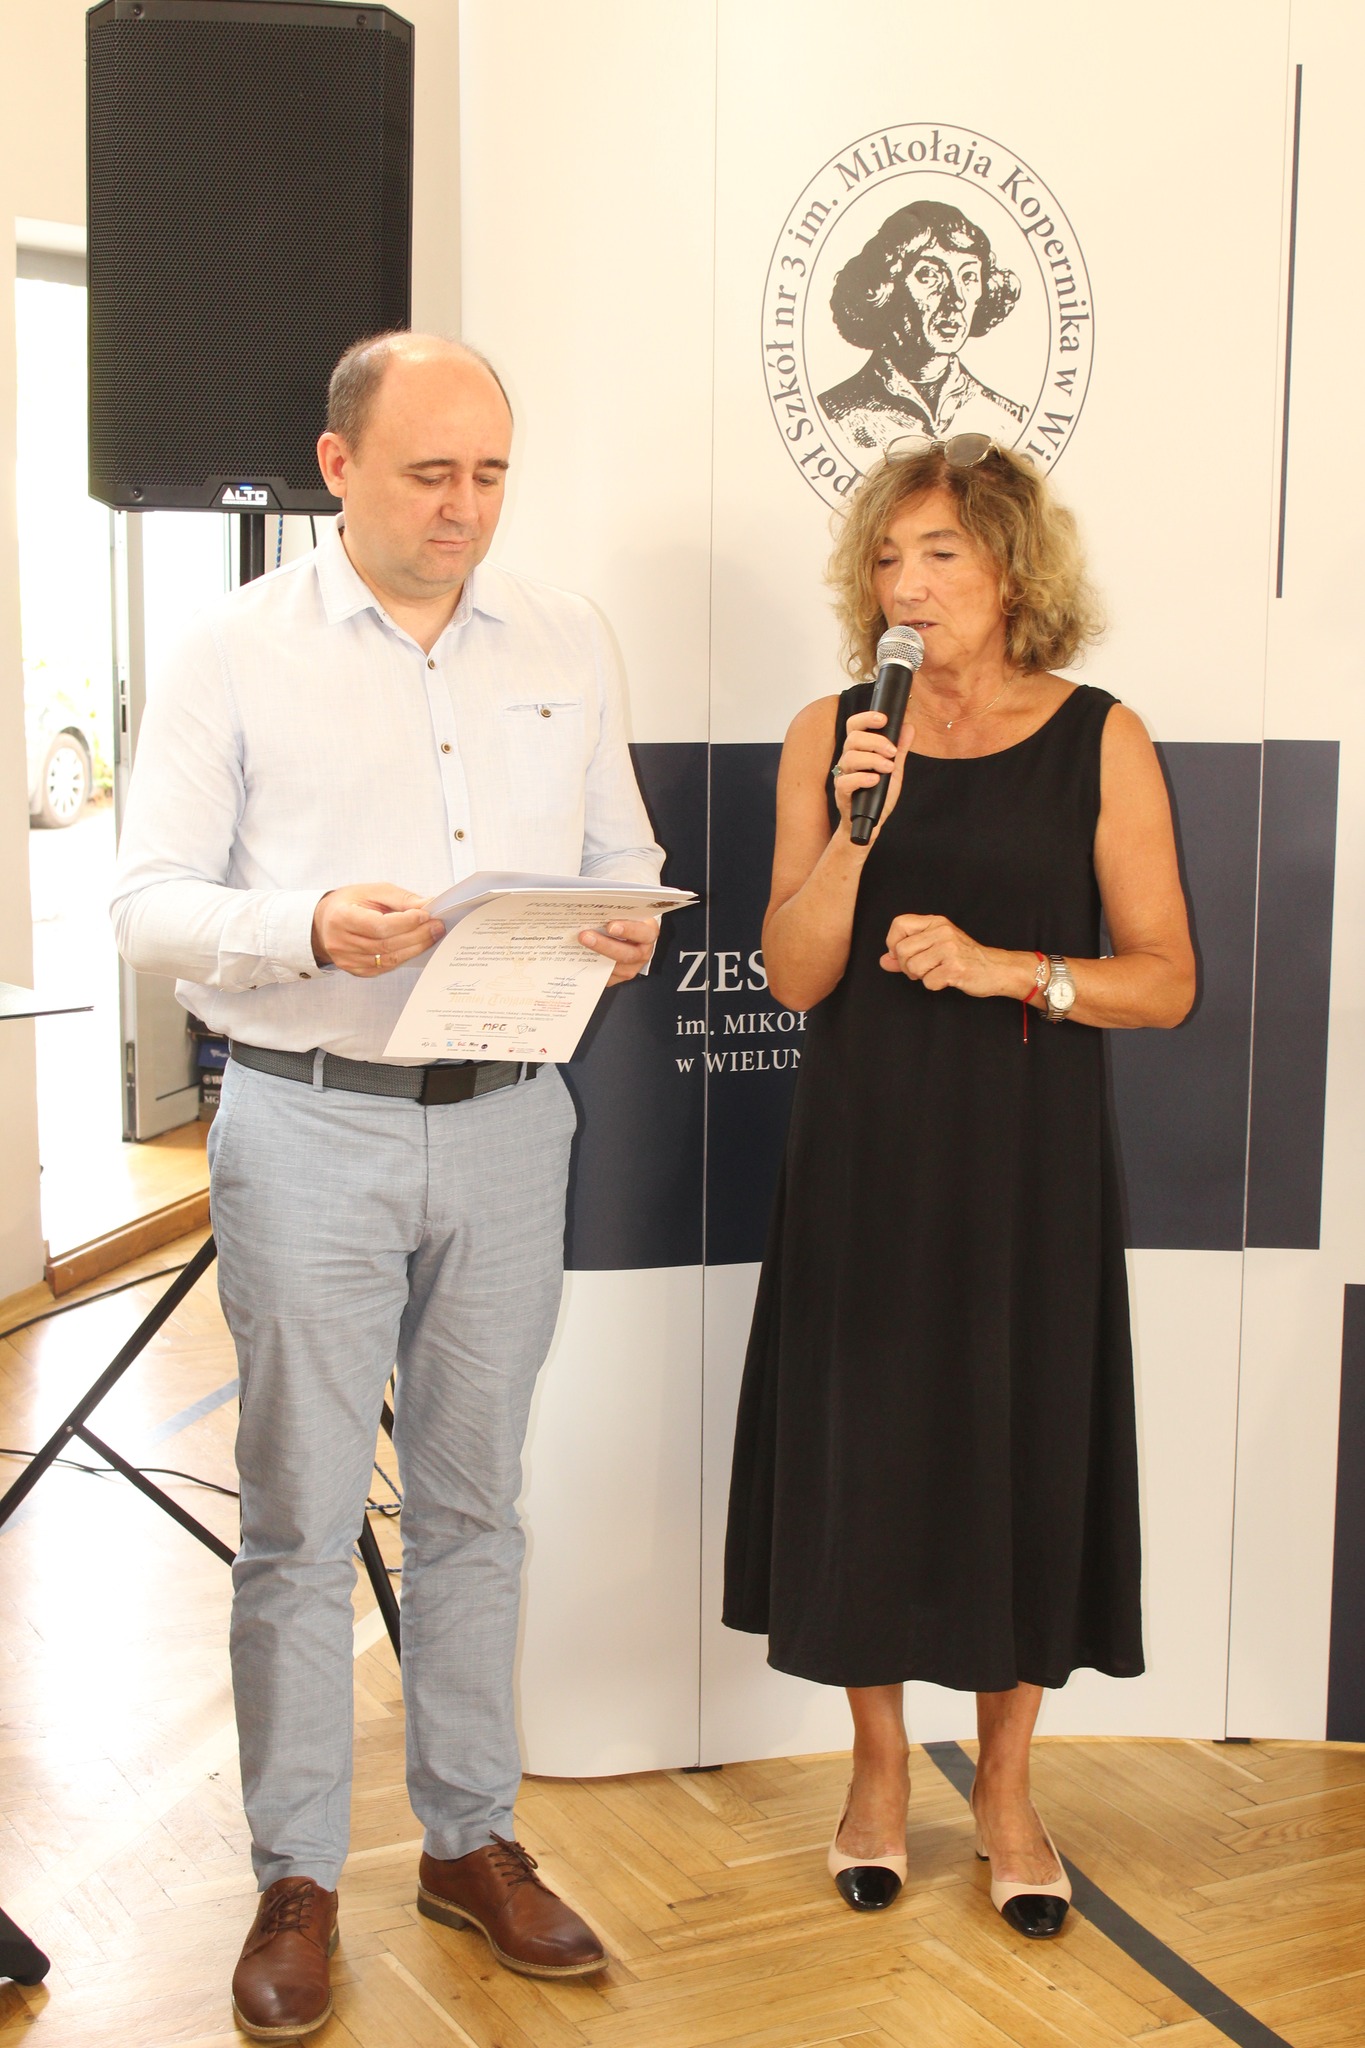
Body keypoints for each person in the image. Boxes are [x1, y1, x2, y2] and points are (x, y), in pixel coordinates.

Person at [111, 333, 663, 2038]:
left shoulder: (565, 633)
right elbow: (146, 901)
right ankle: (296, 1876)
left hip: (512, 1115)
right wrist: (304, 924)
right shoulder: (230, 648)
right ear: (338, 467)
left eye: (490, 475)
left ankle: (468, 1839)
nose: (465, 508)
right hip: (308, 1119)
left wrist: (623, 920)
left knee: (477, 1505)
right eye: (431, 474)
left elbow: (624, 855)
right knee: (296, 1520)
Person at [722, 432, 1194, 1938]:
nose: (907, 586)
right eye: (886, 558)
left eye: (940, 553)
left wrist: (1011, 969)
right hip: (864, 1150)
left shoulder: (1101, 736)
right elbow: (793, 975)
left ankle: (1004, 1789)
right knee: (865, 1451)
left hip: (1026, 1162)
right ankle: (876, 1774)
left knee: (1019, 1450)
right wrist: (855, 836)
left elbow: (1165, 980)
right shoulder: (832, 732)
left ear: (1011, 569)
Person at [818, 202, 1025, 451]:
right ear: (886, 287)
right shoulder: (833, 417)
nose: (957, 299)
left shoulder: (1009, 419)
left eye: (968, 276)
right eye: (929, 275)